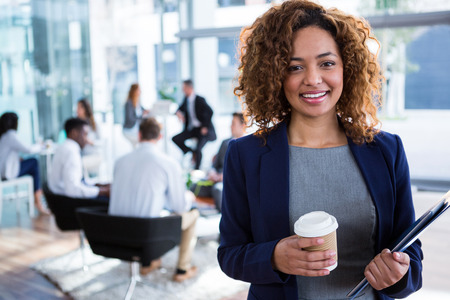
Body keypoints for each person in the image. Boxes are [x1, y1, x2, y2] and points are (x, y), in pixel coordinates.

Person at [217, 1, 423, 300]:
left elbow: (410, 253)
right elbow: (230, 255)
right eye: (294, 66)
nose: (313, 79)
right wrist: (274, 257)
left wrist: (400, 274)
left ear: (346, 68)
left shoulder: (385, 150)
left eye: (327, 63)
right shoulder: (246, 155)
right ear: (274, 75)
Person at [109, 117, 199, 281]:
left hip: (116, 236)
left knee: (151, 211)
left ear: (139, 134)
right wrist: (188, 197)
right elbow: (179, 206)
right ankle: (182, 270)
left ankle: (148, 263)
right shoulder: (168, 163)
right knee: (192, 215)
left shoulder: (119, 162)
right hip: (146, 237)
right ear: (160, 137)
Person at [48, 118, 110, 201]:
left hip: (60, 197)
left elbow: (78, 181)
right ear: (74, 133)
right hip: (68, 202)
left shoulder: (65, 147)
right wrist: (102, 191)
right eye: (85, 134)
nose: (87, 140)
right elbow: (73, 190)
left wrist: (98, 185)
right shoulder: (71, 152)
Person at [0, 112, 50, 215]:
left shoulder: (3, 136)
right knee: (34, 162)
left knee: (32, 165)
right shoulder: (11, 136)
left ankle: (37, 200)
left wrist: (16, 159)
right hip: (8, 174)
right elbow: (29, 149)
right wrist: (42, 146)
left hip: (3, 172)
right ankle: (38, 201)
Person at [172, 79, 216, 170]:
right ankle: (191, 152)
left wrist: (205, 126)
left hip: (202, 130)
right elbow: (179, 109)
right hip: (192, 129)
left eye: (184, 88)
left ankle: (197, 170)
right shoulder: (186, 100)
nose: (183, 90)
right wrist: (178, 113)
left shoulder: (200, 100)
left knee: (198, 149)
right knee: (175, 139)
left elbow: (210, 111)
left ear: (189, 88)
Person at [207, 112, 246, 211]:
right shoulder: (225, 143)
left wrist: (226, 176)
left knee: (219, 190)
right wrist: (212, 173)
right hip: (217, 180)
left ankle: (224, 215)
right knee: (195, 186)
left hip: (232, 183)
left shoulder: (248, 146)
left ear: (243, 126)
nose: (230, 126)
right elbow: (214, 165)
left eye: (233, 123)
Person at [76, 98, 102, 177]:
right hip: (80, 157)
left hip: (92, 156)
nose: (77, 110)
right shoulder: (75, 124)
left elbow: (100, 142)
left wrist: (90, 142)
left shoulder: (93, 124)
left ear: (85, 109)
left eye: (79, 107)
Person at [122, 83, 149, 147]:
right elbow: (130, 118)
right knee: (142, 141)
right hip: (130, 129)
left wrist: (146, 111)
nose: (140, 92)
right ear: (134, 91)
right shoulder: (129, 103)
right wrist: (141, 116)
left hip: (136, 128)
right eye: (138, 90)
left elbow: (143, 110)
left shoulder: (137, 102)